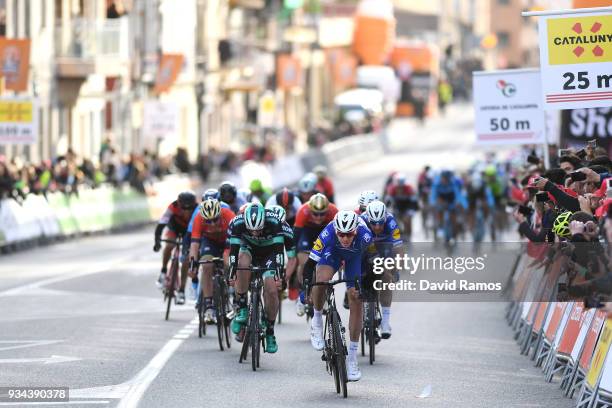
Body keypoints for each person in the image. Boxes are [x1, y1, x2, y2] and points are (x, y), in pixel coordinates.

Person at [303, 210, 374, 382]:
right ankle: (317, 320)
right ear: (336, 231)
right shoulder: (327, 232)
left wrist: (367, 283)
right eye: (341, 234)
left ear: (355, 231)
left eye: (349, 234)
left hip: (355, 259)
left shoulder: (366, 235)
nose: (345, 238)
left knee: (356, 298)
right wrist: (307, 282)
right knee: (321, 280)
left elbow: (373, 262)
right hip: (332, 254)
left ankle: (352, 359)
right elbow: (310, 264)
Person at [228, 203, 289, 353]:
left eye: (259, 229)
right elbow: (233, 253)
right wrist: (232, 273)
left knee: (272, 289)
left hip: (269, 254)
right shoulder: (238, 222)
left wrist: (279, 275)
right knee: (241, 263)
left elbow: (279, 253)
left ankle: (269, 331)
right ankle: (242, 307)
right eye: (251, 230)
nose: (255, 233)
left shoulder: (274, 222)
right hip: (249, 250)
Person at [188, 198, 235, 323]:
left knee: (228, 262)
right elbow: (194, 245)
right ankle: (209, 306)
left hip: (227, 240)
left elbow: (237, 241)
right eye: (209, 221)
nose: (213, 224)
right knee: (207, 265)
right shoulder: (198, 218)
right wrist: (192, 264)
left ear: (220, 214)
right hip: (209, 242)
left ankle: (231, 292)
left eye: (215, 219)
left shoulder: (229, 215)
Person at [360, 200, 402, 339]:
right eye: (374, 223)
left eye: (380, 223)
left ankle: (385, 321)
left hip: (385, 248)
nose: (377, 227)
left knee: (386, 276)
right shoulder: (361, 221)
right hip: (367, 248)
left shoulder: (391, 221)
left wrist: (396, 264)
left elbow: (398, 247)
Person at [293, 193, 338, 316]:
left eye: (322, 214)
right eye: (315, 214)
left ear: (327, 210)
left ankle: (320, 292)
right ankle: (302, 292)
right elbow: (296, 235)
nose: (318, 217)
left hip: (325, 233)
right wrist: (293, 253)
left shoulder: (334, 211)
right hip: (307, 234)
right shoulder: (303, 211)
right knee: (304, 261)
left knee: (325, 262)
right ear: (310, 210)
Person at [153, 191, 198, 305]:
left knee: (186, 258)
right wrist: (157, 241)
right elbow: (161, 223)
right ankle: (163, 271)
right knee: (170, 245)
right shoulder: (172, 207)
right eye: (184, 208)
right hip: (174, 228)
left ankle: (182, 290)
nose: (187, 211)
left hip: (189, 231)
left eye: (189, 209)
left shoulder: (198, 209)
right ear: (178, 204)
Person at [429, 170, 467, 241]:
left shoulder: (453, 184)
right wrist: (433, 203)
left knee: (454, 218)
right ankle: (440, 227)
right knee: (439, 210)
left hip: (451, 202)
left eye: (446, 178)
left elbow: (458, 195)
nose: (444, 180)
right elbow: (433, 195)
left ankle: (455, 233)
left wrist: (460, 203)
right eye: (443, 178)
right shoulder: (436, 184)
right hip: (441, 202)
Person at [385, 174, 419, 241]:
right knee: (394, 221)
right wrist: (387, 209)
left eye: (401, 187)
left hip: (407, 208)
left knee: (407, 220)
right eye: (398, 187)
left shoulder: (409, 188)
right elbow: (388, 201)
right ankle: (399, 234)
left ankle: (408, 235)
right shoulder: (392, 189)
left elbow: (414, 202)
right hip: (397, 208)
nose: (400, 189)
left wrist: (413, 209)